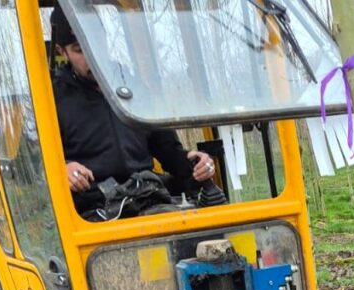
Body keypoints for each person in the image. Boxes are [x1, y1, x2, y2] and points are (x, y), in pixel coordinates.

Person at [50, 6, 226, 218]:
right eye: (80, 49)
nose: (92, 55)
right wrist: (64, 168)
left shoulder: (134, 87)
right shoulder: (52, 100)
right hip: (92, 209)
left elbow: (167, 150)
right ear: (62, 51)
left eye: (96, 43)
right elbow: (39, 164)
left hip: (147, 196)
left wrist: (193, 161)